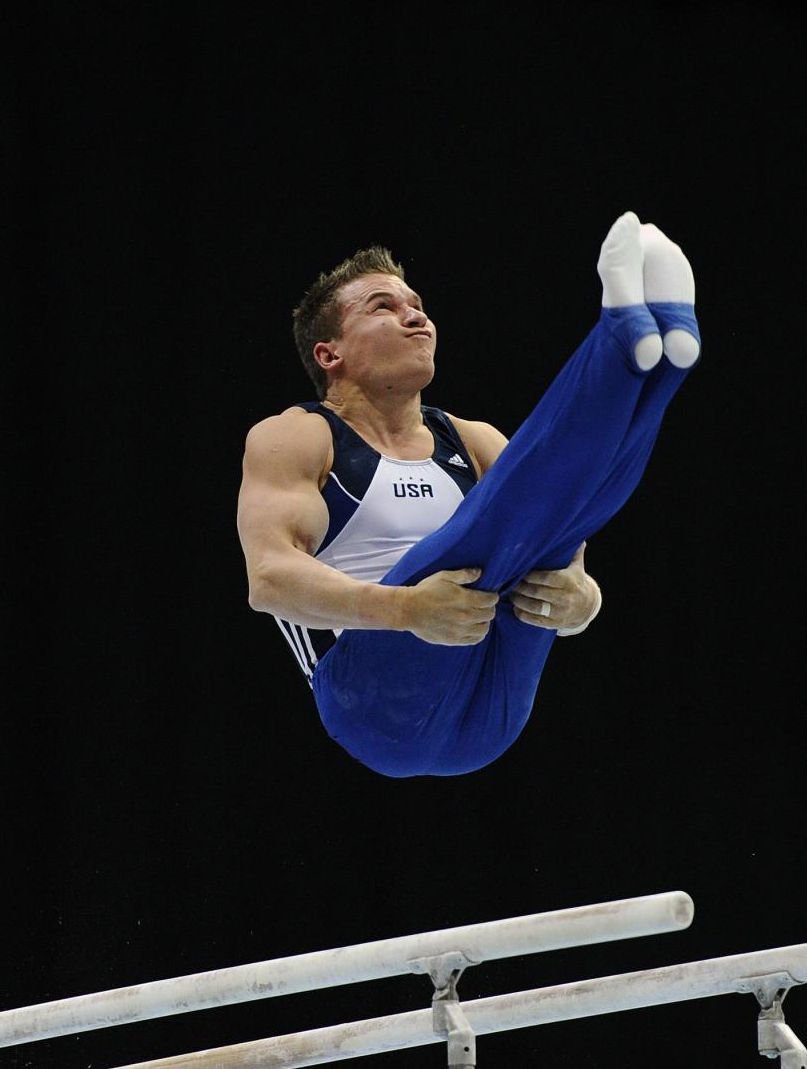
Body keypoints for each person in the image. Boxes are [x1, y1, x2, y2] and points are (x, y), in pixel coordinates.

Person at [236, 211, 699, 777]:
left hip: (492, 713)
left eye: (418, 305)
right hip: (373, 707)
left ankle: (656, 355)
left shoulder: (472, 439)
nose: (417, 317)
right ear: (329, 354)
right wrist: (408, 609)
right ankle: (618, 340)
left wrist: (582, 599)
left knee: (557, 522)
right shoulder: (298, 436)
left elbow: (559, 533)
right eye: (384, 307)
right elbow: (270, 580)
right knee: (484, 533)